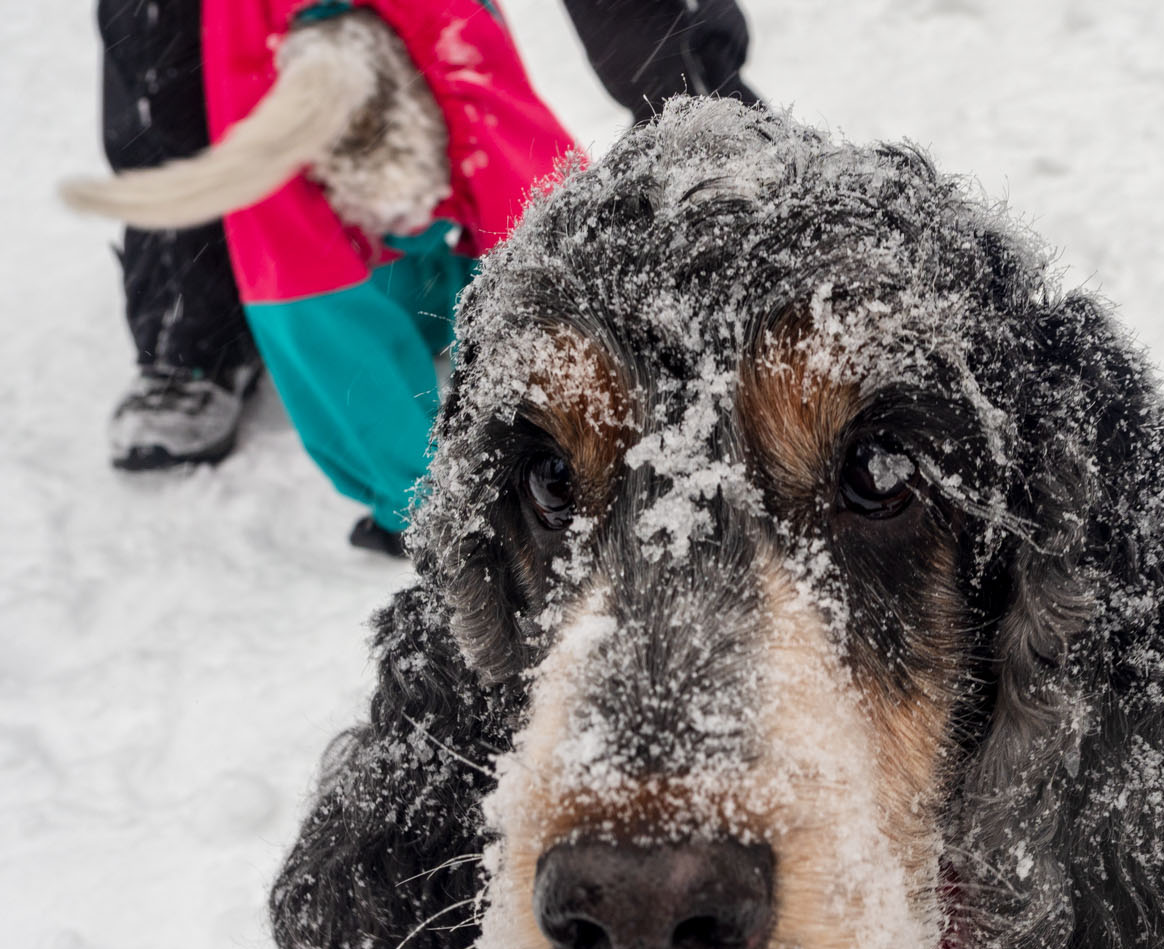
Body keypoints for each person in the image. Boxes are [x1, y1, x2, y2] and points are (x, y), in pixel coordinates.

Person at [94, 0, 758, 552]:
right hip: (265, 53)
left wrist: (600, 407)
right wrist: (422, 499)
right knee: (198, 124)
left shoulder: (450, 50)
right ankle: (194, 325)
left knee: (505, 170)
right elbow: (303, 294)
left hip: (421, 57)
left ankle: (715, 167)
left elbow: (525, 189)